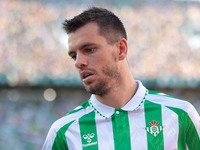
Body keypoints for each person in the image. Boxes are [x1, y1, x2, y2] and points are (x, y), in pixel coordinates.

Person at [42, 7, 200, 150]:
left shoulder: (181, 114)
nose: (78, 63)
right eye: (73, 56)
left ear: (121, 49)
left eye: (89, 49)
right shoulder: (63, 132)